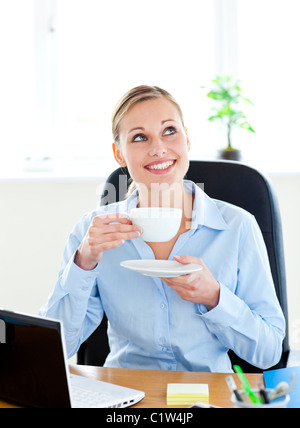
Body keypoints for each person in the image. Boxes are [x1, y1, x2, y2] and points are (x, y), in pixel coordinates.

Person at [39, 85, 285, 372]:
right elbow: (56, 349)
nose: (158, 148)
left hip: (207, 394)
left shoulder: (238, 226)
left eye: (169, 131)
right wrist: (83, 261)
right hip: (125, 394)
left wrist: (215, 297)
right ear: (119, 154)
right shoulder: (93, 231)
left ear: (187, 139)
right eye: (140, 137)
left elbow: (269, 353)